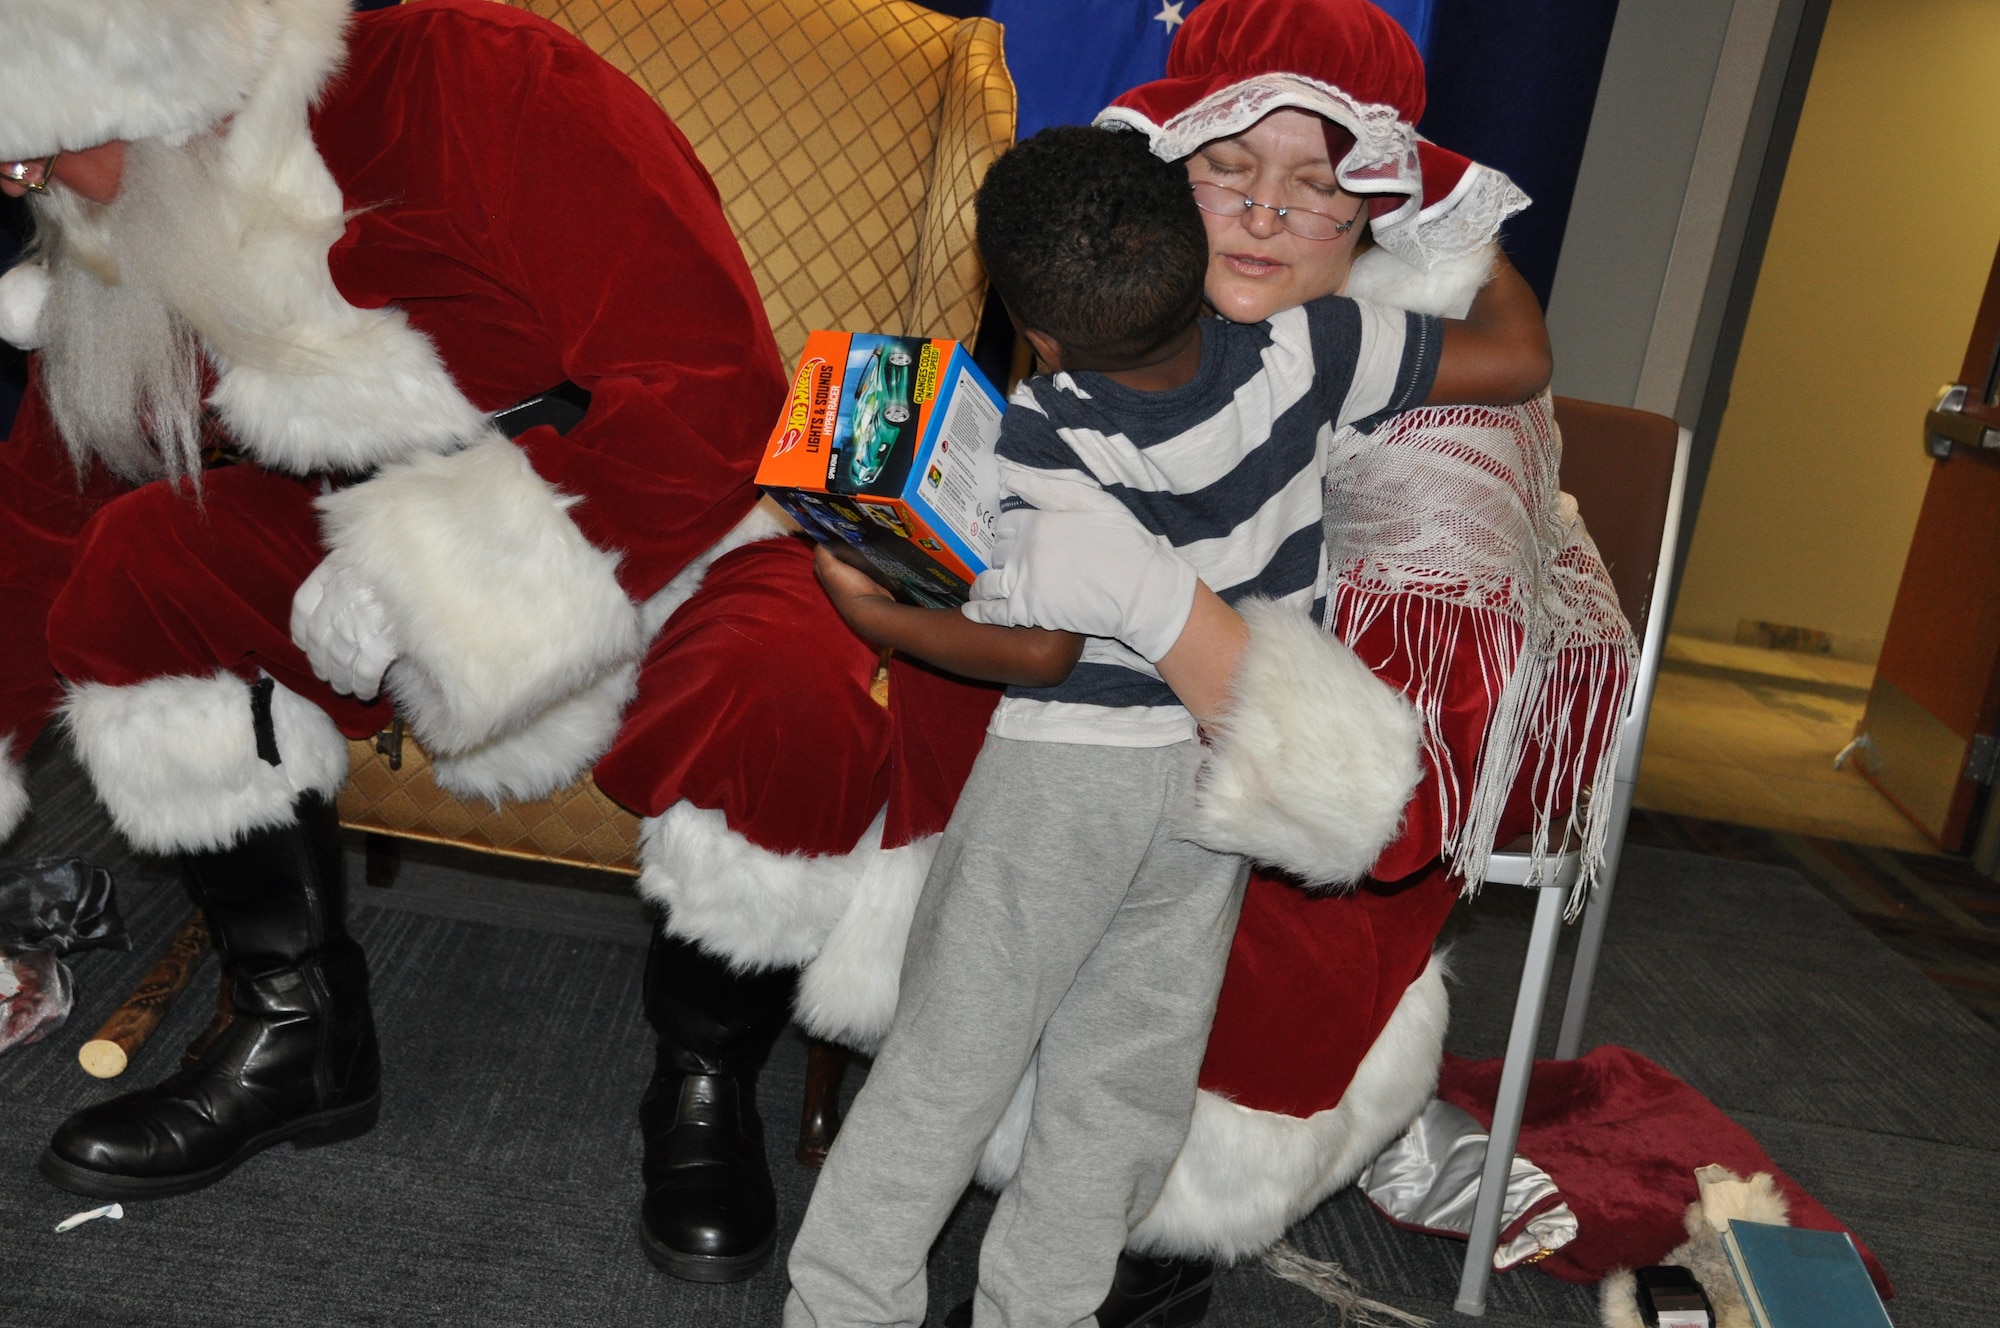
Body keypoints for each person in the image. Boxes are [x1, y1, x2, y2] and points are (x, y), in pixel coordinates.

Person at [0, 0, 1001, 1282]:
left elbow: (707, 397)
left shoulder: (472, 78)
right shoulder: (124, 213)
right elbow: (46, 506)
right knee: (143, 559)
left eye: (44, 143)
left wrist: (437, 567)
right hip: (347, 549)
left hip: (665, 520)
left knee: (783, 689)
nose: (22, 181)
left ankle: (703, 1079)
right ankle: (296, 1031)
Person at [784, 121, 1552, 1328]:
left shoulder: (1038, 436)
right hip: (1211, 789)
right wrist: (1462, 225)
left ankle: (844, 1307)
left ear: (1031, 326)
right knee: (1123, 1078)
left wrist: (880, 613)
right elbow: (1513, 357)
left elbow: (1035, 647)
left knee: (947, 1061)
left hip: (1063, 782)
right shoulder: (1316, 349)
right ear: (1188, 245)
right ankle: (1039, 1310)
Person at [946, 1, 1634, 1319]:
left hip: (1295, 792)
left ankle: (1135, 1267)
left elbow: (1374, 790)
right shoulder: (1121, 307)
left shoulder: (1388, 376)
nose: (1261, 218)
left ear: (1375, 212)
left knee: (1200, 949)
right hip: (1102, 715)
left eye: (1315, 187)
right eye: (1225, 173)